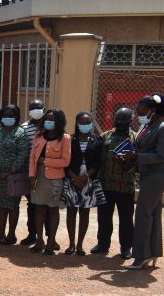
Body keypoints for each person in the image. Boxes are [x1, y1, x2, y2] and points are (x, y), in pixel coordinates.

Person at [116, 94, 164, 269]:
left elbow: (161, 155)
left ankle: (140, 256)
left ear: (152, 110)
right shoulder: (148, 126)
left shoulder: (161, 127)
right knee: (154, 213)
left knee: (143, 215)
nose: (137, 114)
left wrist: (136, 156)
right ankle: (152, 252)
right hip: (147, 174)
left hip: (156, 176)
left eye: (141, 111)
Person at [91, 108, 136, 259]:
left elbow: (139, 162)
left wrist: (128, 161)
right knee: (103, 217)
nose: (121, 124)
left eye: (124, 122)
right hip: (105, 185)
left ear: (130, 122)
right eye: (118, 121)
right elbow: (96, 155)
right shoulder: (106, 136)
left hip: (126, 186)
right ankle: (103, 244)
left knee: (126, 219)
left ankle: (126, 248)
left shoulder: (135, 138)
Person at [61, 111, 106, 256]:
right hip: (72, 179)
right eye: (82, 122)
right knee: (71, 212)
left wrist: (86, 176)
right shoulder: (70, 140)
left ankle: (80, 245)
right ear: (77, 123)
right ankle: (71, 244)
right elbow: (65, 161)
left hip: (89, 180)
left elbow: (99, 161)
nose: (85, 125)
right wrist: (74, 178)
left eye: (88, 122)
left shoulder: (97, 140)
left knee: (84, 212)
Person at [28, 109, 71, 255]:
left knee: (53, 209)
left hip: (55, 179)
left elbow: (65, 161)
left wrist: (46, 161)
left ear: (58, 122)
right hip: (39, 177)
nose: (48, 122)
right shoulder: (38, 135)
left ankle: (51, 241)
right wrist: (31, 175)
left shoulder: (64, 138)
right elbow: (33, 157)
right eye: (47, 119)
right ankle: (39, 240)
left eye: (52, 119)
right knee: (39, 208)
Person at [0, 104, 27, 245]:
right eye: (5, 115)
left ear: (16, 117)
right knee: (0, 205)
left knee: (12, 205)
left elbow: (22, 154)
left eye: (11, 115)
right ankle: (1, 232)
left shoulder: (20, 133)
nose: (8, 118)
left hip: (13, 176)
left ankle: (11, 235)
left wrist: (9, 172)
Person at [20, 99, 47, 245]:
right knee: (32, 203)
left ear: (44, 109)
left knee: (47, 205)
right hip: (29, 171)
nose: (35, 110)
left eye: (38, 108)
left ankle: (49, 236)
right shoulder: (24, 127)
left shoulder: (50, 126)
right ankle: (32, 234)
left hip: (47, 171)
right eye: (32, 108)